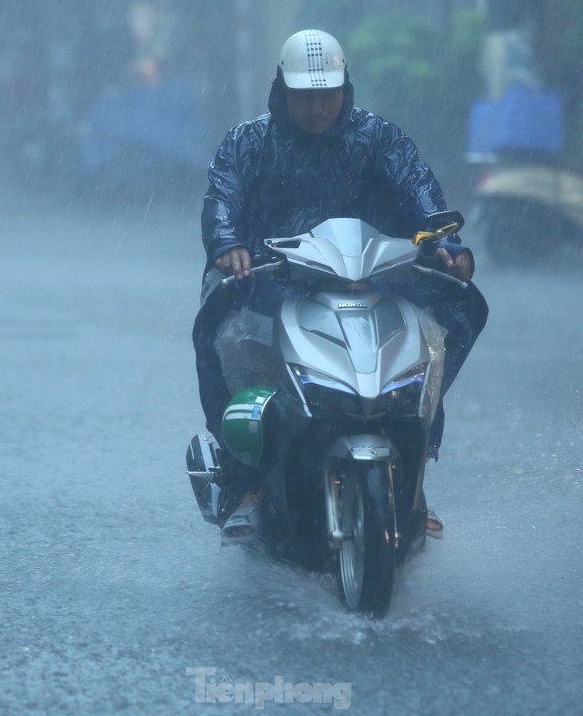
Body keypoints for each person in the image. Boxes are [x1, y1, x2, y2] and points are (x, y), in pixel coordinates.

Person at [193, 29, 487, 542]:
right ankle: (249, 483)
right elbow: (223, 197)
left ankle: (412, 479)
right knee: (226, 337)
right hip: (271, 284)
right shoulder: (247, 142)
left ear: (345, 91)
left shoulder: (380, 139)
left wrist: (446, 244)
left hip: (372, 281)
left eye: (326, 95)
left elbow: (420, 190)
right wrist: (227, 244)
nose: (316, 107)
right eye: (304, 96)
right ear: (281, 91)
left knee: (447, 327)